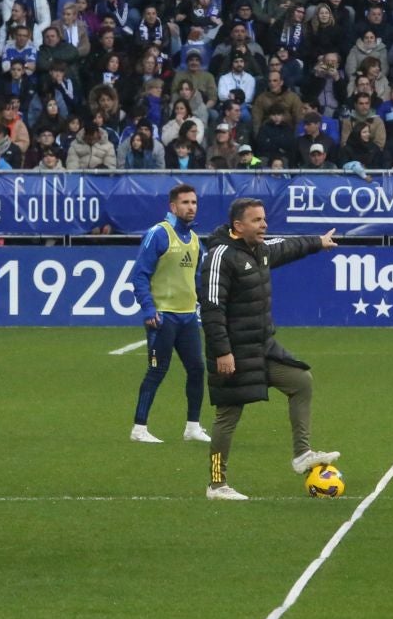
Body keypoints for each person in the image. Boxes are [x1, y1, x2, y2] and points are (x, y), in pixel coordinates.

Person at [199, 198, 339, 501]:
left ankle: (302, 454)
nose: (264, 225)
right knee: (227, 416)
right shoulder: (220, 256)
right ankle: (216, 484)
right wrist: (223, 351)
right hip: (233, 352)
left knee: (301, 381)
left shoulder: (258, 250)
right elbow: (211, 308)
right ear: (238, 226)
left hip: (262, 348)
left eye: (264, 219)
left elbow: (285, 248)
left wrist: (318, 242)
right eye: (257, 220)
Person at [127, 183, 210, 445]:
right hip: (163, 317)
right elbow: (139, 275)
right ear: (173, 206)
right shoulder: (158, 233)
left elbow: (197, 279)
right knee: (156, 371)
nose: (191, 207)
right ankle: (139, 429)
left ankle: (193, 427)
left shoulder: (196, 240)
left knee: (197, 369)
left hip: (187, 317)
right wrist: (149, 309)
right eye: (185, 203)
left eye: (194, 202)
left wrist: (207, 304)